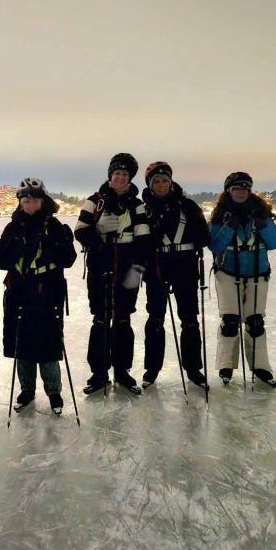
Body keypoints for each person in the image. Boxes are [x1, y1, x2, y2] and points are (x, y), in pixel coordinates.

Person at [0, 178, 77, 414]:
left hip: (48, 290)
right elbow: (1, 260)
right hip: (20, 290)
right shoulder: (13, 227)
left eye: (35, 200)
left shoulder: (54, 226)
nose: (31, 205)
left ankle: (54, 392)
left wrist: (61, 242)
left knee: (49, 343)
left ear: (44, 201)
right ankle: (27, 390)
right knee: (22, 343)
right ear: (21, 202)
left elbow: (69, 260)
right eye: (26, 200)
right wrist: (18, 246)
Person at [74, 153, 151, 395]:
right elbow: (80, 232)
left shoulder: (137, 205)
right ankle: (98, 373)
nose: (120, 177)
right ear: (110, 175)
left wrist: (138, 269)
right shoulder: (94, 201)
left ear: (130, 178)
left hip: (128, 270)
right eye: (117, 173)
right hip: (99, 269)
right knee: (100, 319)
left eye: (124, 174)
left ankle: (122, 371)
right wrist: (98, 233)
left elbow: (144, 239)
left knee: (123, 319)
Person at [207, 172, 276, 387]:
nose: (241, 192)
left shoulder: (260, 213)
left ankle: (261, 367)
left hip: (257, 274)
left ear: (249, 191)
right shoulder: (220, 216)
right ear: (229, 191)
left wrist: (262, 224)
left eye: (244, 189)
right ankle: (226, 365)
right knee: (230, 321)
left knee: (255, 322)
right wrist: (228, 227)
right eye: (236, 189)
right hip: (227, 273)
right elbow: (214, 246)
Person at [141, 162, 210, 389]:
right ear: (151, 185)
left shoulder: (188, 206)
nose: (161, 185)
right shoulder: (144, 209)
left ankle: (193, 369)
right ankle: (152, 369)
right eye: (156, 181)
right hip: (157, 266)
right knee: (156, 319)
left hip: (185, 265)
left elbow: (204, 237)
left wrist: (193, 233)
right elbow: (140, 242)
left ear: (171, 182)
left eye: (164, 181)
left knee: (190, 319)